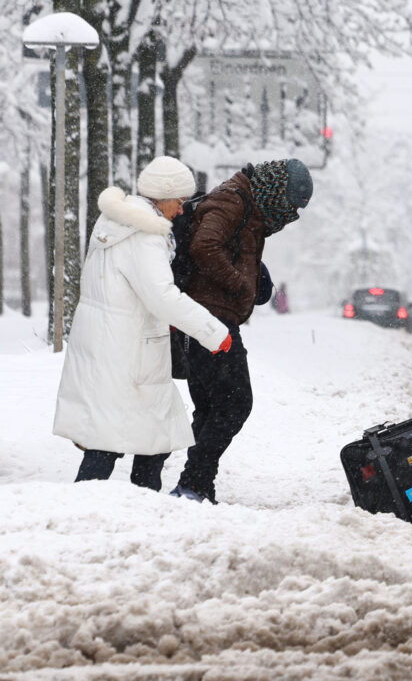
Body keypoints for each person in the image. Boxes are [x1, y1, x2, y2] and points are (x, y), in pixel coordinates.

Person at [53, 158, 233, 490]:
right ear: (163, 197)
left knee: (143, 438)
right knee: (113, 443)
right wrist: (215, 333)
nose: (181, 211)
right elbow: (162, 297)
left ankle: (135, 505)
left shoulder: (114, 222)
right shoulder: (145, 235)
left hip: (109, 345)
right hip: (128, 352)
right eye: (179, 202)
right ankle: (93, 509)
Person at [173, 158, 313, 503]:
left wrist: (253, 277)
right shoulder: (233, 200)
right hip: (207, 320)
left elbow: (227, 247)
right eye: (290, 206)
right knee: (236, 403)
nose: (290, 215)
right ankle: (193, 482)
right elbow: (204, 246)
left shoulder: (248, 203)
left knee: (211, 407)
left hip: (208, 318)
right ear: (277, 191)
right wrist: (240, 285)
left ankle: (197, 486)